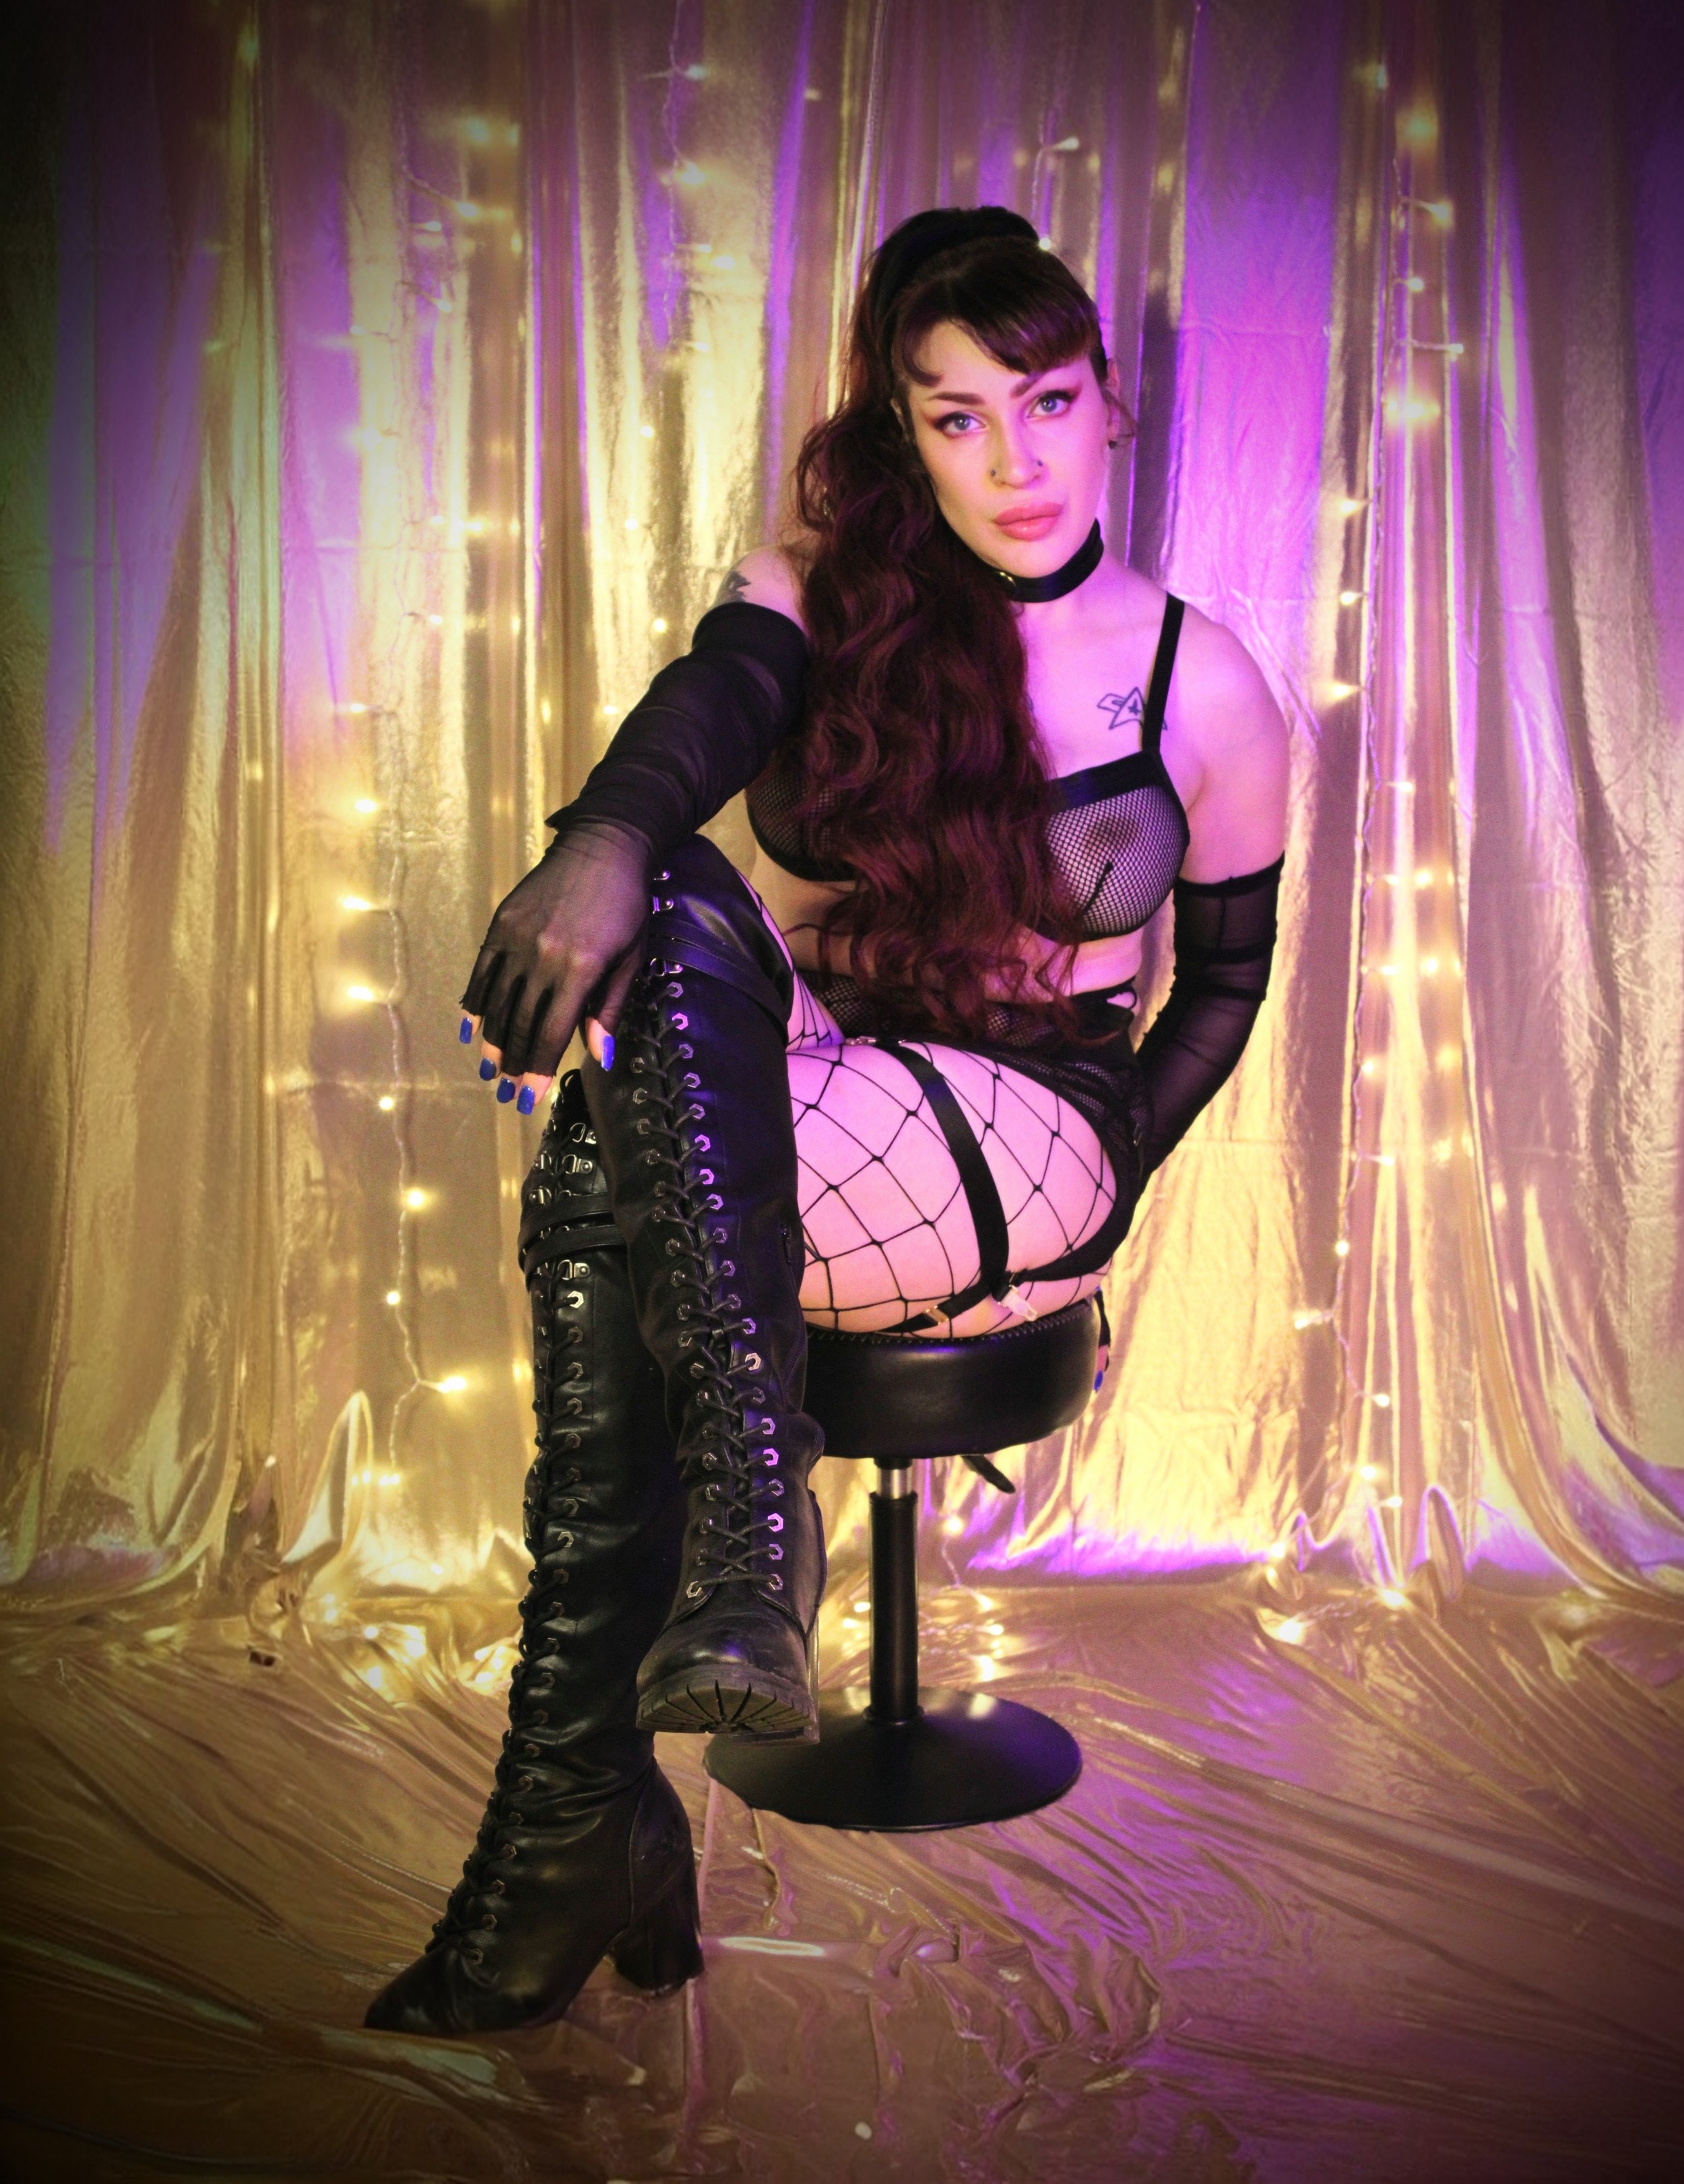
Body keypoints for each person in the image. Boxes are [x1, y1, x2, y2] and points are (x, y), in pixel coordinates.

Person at [364, 206, 1289, 2034]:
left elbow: (1223, 987)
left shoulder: (1201, 676)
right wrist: (602, 839)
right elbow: (717, 705)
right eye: (955, 417)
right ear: (902, 428)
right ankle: (700, 1617)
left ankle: (589, 1793)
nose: (1012, 460)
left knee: (608, 1155)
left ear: (1109, 401)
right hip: (803, 1099)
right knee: (666, 912)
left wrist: (1109, 1183)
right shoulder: (820, 597)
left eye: (1044, 402)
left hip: (1032, 1132)